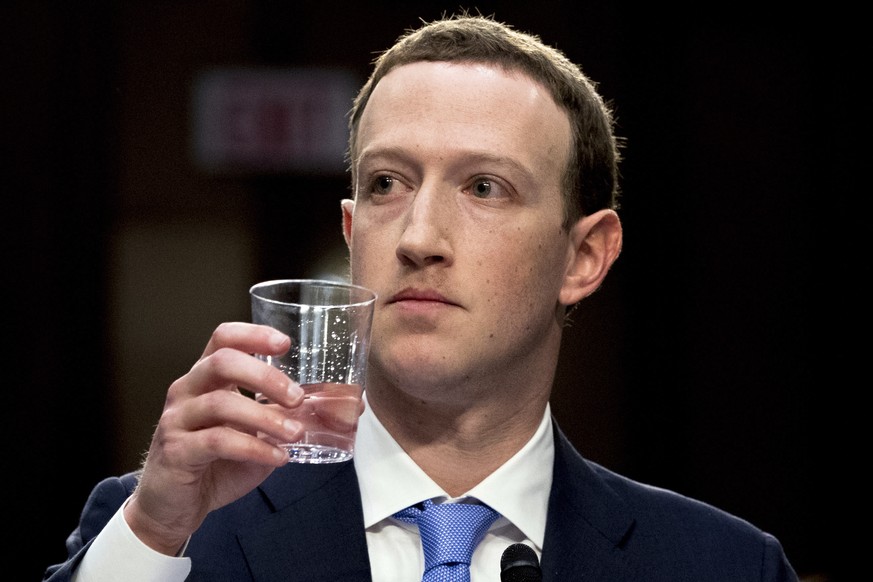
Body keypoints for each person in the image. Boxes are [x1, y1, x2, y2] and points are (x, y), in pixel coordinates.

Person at [44, 13, 799, 582]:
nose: (418, 235)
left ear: (584, 255)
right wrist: (152, 530)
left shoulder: (721, 564)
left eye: (482, 187)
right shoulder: (169, 529)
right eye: (386, 184)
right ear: (350, 229)